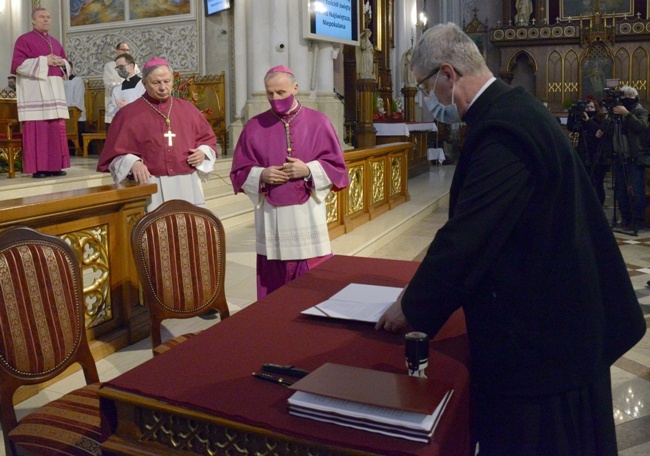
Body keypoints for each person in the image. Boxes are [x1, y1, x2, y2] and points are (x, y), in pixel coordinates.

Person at [376, 22, 646, 455]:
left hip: (547, 346)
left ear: (447, 74)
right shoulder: (512, 110)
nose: (427, 99)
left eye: (425, 86)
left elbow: (469, 236)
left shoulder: (504, 128)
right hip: (553, 317)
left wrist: (412, 305)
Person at [230, 65, 349, 300]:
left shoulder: (319, 122)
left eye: (281, 93)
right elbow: (239, 170)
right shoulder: (254, 126)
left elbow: (337, 168)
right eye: (270, 93)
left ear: (295, 88)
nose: (275, 99)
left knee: (312, 282)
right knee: (274, 279)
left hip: (307, 212)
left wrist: (308, 169)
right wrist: (261, 175)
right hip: (270, 214)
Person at [97, 57, 217, 212]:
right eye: (156, 83)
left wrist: (203, 152)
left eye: (167, 81)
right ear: (144, 83)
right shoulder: (127, 115)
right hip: (150, 184)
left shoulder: (188, 109)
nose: (163, 87)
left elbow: (208, 139)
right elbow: (113, 154)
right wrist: (133, 163)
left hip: (187, 183)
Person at [11, 7, 70, 178]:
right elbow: (18, 65)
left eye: (48, 17)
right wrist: (45, 61)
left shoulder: (55, 42)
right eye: (42, 17)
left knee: (55, 129)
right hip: (35, 91)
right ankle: (39, 168)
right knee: (38, 129)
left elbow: (67, 66)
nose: (46, 20)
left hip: (54, 91)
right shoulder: (24, 40)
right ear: (33, 20)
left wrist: (61, 62)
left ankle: (55, 166)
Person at [607, 86, 649, 232]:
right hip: (619, 157)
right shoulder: (617, 114)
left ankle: (637, 220)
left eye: (631, 95)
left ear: (636, 97)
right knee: (620, 191)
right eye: (625, 95)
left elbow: (641, 126)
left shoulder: (641, 111)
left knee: (637, 191)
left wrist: (627, 114)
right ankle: (625, 218)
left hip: (634, 157)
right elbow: (610, 131)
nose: (628, 97)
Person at [103, 42, 139, 131]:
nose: (126, 52)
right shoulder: (110, 66)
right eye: (123, 49)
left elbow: (138, 82)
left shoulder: (134, 66)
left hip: (133, 107)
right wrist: (124, 85)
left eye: (127, 50)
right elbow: (108, 84)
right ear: (117, 51)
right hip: (116, 104)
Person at [106, 53, 145, 120]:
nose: (119, 70)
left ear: (131, 66)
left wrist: (128, 107)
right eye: (117, 68)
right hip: (123, 122)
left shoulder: (144, 85)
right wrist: (118, 108)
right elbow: (111, 110)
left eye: (121, 67)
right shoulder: (117, 89)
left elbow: (148, 107)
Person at [63, 62, 86, 152]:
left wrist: (69, 110)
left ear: (71, 69)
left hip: (75, 115)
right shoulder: (58, 81)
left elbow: (78, 100)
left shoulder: (77, 80)